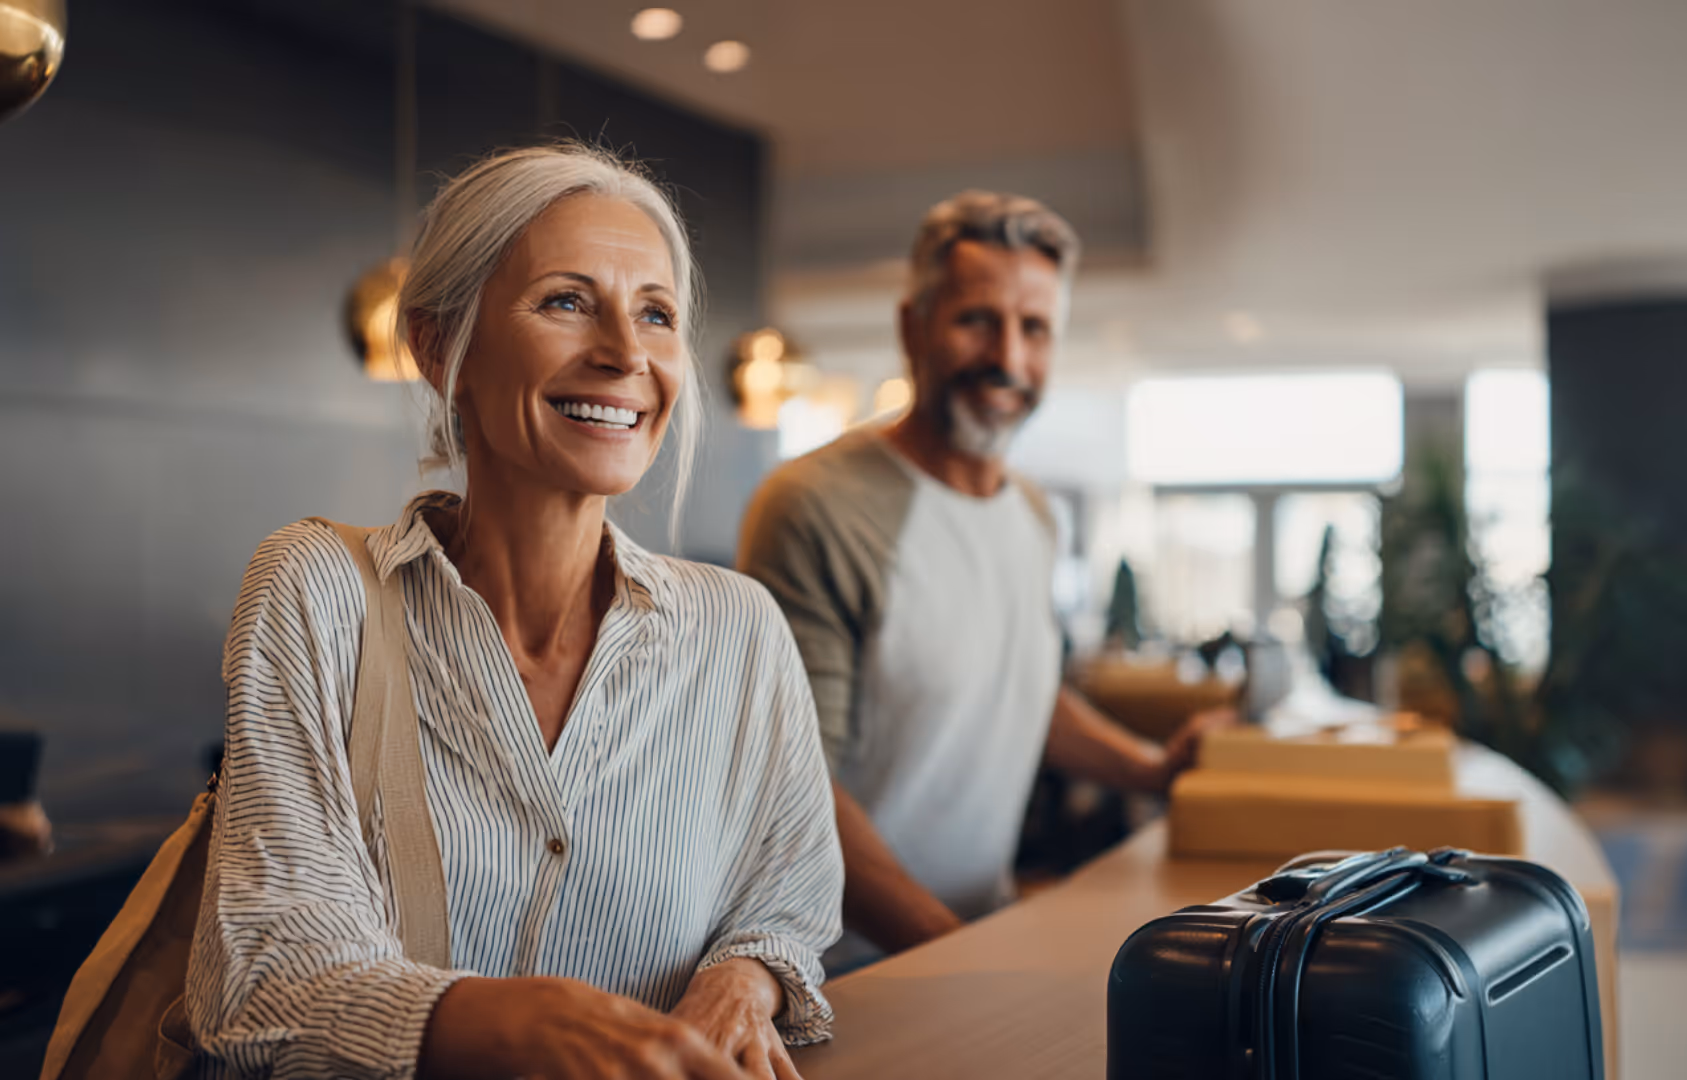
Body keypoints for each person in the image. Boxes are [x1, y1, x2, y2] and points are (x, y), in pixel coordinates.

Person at [186, 143, 841, 1080]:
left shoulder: (738, 628)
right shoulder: (318, 590)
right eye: (567, 302)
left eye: (655, 314)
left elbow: (792, 897)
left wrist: (746, 976)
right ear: (440, 345)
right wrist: (503, 1021)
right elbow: (266, 970)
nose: (624, 354)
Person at [737, 191, 1232, 969]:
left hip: (970, 941)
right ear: (913, 328)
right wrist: (958, 957)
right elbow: (796, 788)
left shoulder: (1033, 513)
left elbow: (1016, 690)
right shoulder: (816, 505)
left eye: (1034, 328)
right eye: (976, 319)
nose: (1008, 356)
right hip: (836, 970)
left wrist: (1152, 768)